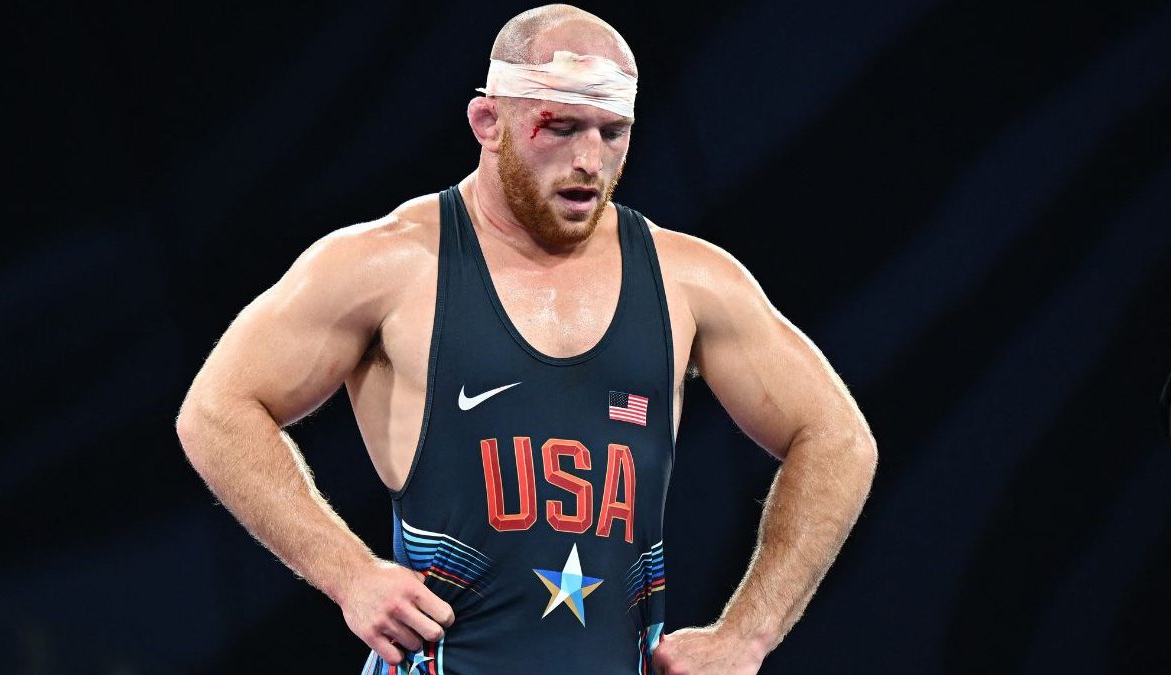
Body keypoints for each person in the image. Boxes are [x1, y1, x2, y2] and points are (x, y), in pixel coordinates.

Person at [175, 4, 877, 674]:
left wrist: (747, 634)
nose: (590, 161)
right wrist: (348, 572)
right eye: (561, 126)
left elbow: (839, 439)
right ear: (488, 120)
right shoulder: (387, 266)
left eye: (612, 132)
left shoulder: (687, 280)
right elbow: (216, 409)